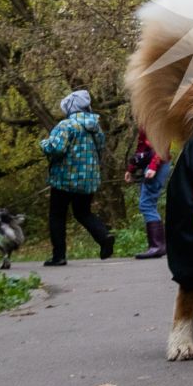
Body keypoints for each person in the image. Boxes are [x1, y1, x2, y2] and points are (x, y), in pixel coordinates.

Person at [39, 89, 113, 265]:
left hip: (64, 179)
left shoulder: (66, 126)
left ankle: (59, 256)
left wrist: (44, 144)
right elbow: (100, 149)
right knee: (83, 212)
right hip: (88, 179)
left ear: (71, 107)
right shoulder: (95, 127)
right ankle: (104, 237)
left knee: (57, 215)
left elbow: (56, 149)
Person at [124, 129, 170, 260]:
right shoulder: (145, 120)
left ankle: (157, 246)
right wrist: (131, 169)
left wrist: (153, 167)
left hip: (158, 163)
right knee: (148, 204)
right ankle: (157, 246)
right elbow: (142, 147)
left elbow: (162, 144)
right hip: (153, 164)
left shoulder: (155, 118)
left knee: (147, 204)